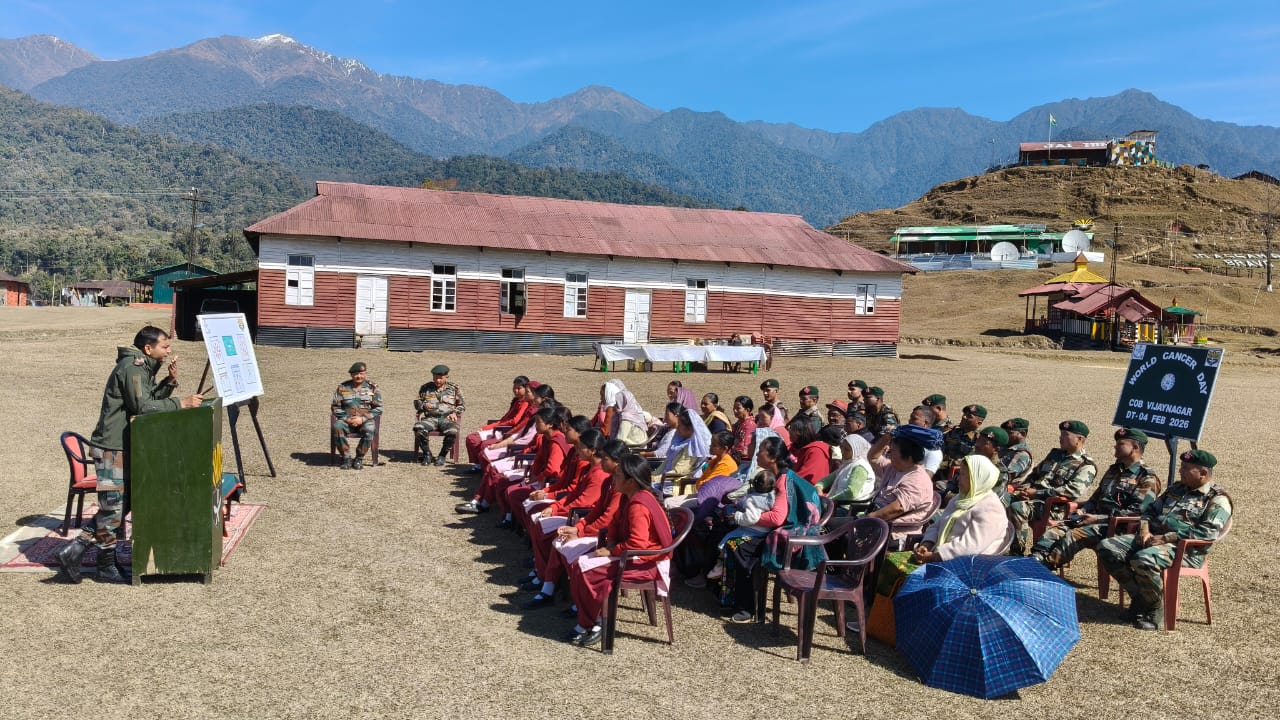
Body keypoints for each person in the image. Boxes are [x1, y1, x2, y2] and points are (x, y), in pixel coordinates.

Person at [53, 325, 204, 584]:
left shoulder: (142, 367)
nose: (169, 351)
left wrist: (169, 382)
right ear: (148, 348)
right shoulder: (132, 367)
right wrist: (182, 402)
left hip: (123, 447)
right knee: (113, 507)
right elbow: (143, 407)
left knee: (124, 503)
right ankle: (104, 565)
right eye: (164, 347)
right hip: (112, 449)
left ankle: (75, 549)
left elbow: (146, 398)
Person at [1097, 449, 1231, 630]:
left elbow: (1206, 533)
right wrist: (1144, 530)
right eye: (1181, 467)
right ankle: (1140, 598)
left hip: (1186, 550)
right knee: (1107, 547)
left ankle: (1154, 610)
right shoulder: (1176, 488)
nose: (1180, 471)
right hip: (1153, 539)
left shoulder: (1217, 499)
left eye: (1186, 468)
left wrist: (1166, 538)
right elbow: (1148, 512)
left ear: (1203, 473)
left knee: (1144, 559)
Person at [564, 454, 675, 646]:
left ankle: (596, 622)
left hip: (646, 562)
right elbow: (614, 523)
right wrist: (611, 543)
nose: (613, 480)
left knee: (587, 572)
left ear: (631, 481)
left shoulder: (638, 505)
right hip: (632, 556)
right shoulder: (628, 498)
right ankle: (589, 617)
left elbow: (638, 543)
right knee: (577, 564)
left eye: (618, 476)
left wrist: (612, 551)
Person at [1032, 427, 1161, 570]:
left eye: (1121, 444)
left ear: (1135, 447)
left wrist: (1097, 518)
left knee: (1074, 535)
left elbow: (1136, 513)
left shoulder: (1147, 478)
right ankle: (1035, 558)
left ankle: (1043, 567)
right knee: (1057, 529)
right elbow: (1096, 498)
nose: (1115, 446)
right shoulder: (1114, 470)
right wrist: (1083, 510)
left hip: (1117, 527)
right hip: (1093, 519)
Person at [1008, 420, 1097, 555]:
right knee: (1000, 499)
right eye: (1060, 434)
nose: (1060, 438)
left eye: (1065, 435)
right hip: (1032, 499)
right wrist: (1024, 489)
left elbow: (1072, 491)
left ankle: (1016, 553)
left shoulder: (1086, 465)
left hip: (1054, 507)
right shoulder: (1055, 454)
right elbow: (1034, 475)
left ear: (1079, 439)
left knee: (1018, 507)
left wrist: (1036, 493)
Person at [910, 454, 1015, 562]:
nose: (958, 478)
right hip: (940, 557)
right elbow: (938, 526)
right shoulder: (961, 498)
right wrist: (927, 544)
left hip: (967, 566)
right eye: (960, 473)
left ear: (976, 478)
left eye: (963, 474)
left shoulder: (991, 508)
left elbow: (970, 547)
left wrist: (933, 557)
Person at [864, 424, 939, 547]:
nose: (888, 454)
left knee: (838, 534)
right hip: (876, 522)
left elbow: (895, 509)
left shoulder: (918, 480)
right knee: (830, 528)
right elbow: (872, 457)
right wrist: (887, 437)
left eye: (893, 452)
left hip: (893, 533)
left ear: (908, 458)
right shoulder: (895, 467)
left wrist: (865, 520)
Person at [705, 469, 777, 582]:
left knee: (726, 539)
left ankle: (718, 566)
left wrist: (737, 516)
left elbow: (752, 518)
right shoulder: (771, 496)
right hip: (764, 529)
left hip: (753, 530)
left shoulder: (753, 500)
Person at [464, 376, 532, 469]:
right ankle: (479, 464)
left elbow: (514, 421)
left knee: (482, 443)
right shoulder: (517, 401)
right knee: (471, 438)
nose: (515, 391)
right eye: (514, 388)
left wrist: (495, 426)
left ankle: (482, 466)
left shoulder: (525, 403)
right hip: (500, 427)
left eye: (519, 388)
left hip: (505, 431)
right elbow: (506, 418)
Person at [331, 361, 382, 470]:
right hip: (346, 420)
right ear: (351, 375)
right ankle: (346, 457)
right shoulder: (343, 387)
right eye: (356, 374)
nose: (358, 376)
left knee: (370, 428)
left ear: (366, 374)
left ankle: (359, 458)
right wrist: (347, 419)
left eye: (361, 373)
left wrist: (362, 419)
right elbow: (335, 407)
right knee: (337, 427)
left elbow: (378, 408)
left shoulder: (373, 388)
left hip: (365, 420)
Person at [413, 364, 465, 466]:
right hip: (430, 419)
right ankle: (427, 454)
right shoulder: (425, 388)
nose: (438, 381)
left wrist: (455, 412)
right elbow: (416, 403)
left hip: (447, 418)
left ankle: (442, 455)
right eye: (435, 378)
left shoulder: (454, 388)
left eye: (440, 378)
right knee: (418, 428)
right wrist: (423, 406)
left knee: (453, 431)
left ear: (446, 377)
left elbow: (462, 405)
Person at [934, 404, 986, 494]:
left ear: (979, 423)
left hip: (961, 477)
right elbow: (939, 451)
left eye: (969, 416)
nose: (964, 417)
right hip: (940, 471)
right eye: (964, 414)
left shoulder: (979, 440)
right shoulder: (951, 432)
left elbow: (972, 462)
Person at [600, 379, 648, 445]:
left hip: (633, 449)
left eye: (604, 396)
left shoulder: (626, 419)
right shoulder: (619, 414)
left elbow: (619, 441)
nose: (602, 399)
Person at [789, 420, 830, 485]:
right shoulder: (796, 448)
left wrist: (784, 480)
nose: (789, 431)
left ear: (799, 433)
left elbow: (807, 476)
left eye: (791, 429)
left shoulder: (816, 451)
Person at [1000, 417, 1034, 487]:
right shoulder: (1004, 446)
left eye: (1009, 433)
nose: (1004, 436)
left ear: (1023, 434)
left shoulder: (1021, 454)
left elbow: (1006, 477)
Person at [728, 395, 757, 463]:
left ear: (747, 410)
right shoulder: (739, 423)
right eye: (734, 408)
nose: (735, 411)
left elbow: (744, 449)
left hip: (743, 461)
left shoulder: (750, 425)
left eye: (738, 408)